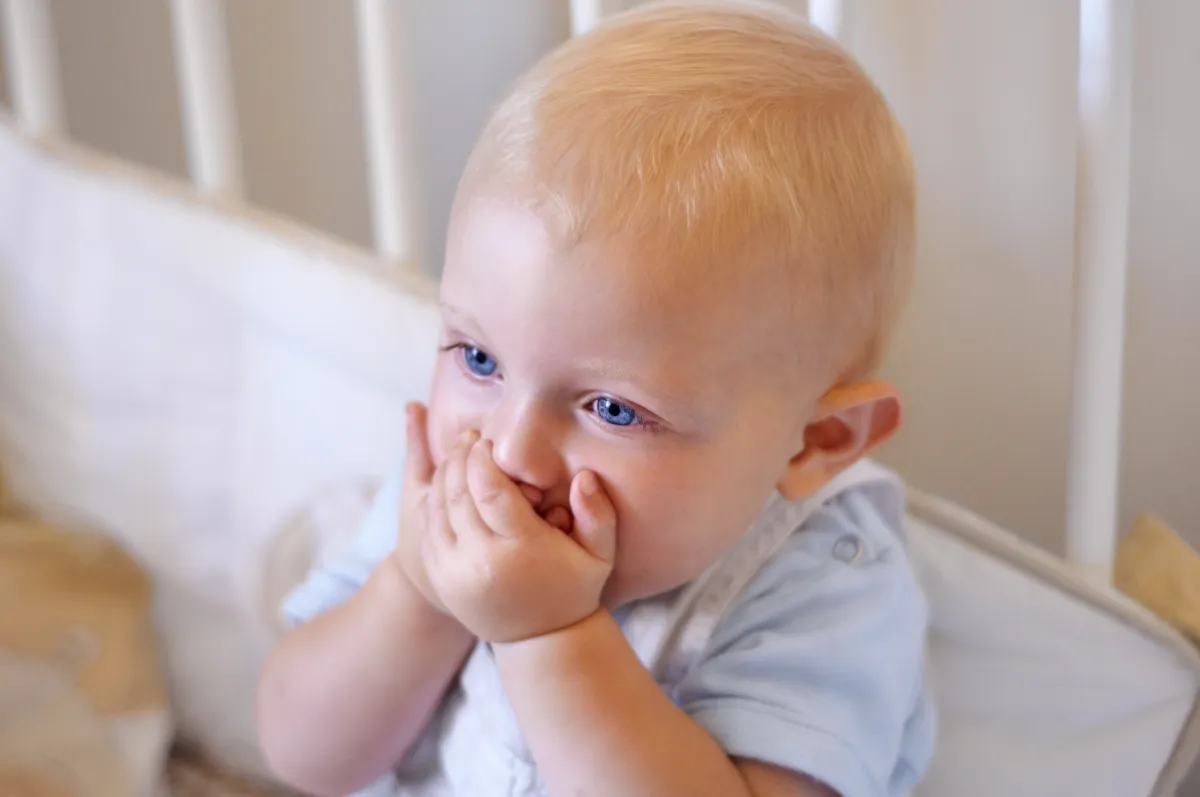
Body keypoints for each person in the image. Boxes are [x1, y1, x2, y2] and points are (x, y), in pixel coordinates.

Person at [256, 2, 935, 795]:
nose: (510, 452)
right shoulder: (439, 505)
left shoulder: (824, 587)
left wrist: (553, 636)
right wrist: (416, 589)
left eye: (613, 409)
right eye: (479, 357)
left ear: (816, 439)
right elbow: (301, 754)